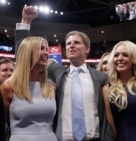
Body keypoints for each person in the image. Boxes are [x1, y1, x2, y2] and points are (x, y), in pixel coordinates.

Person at [14, 5, 114, 141]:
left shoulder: (101, 77)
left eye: (77, 43)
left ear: (87, 49)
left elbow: (109, 117)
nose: (71, 45)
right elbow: (24, 56)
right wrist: (26, 22)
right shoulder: (57, 72)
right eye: (68, 43)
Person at [1, 36, 57, 141]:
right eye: (41, 48)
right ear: (27, 53)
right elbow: (2, 121)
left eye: (46, 49)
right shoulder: (8, 86)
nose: (46, 52)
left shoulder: (51, 86)